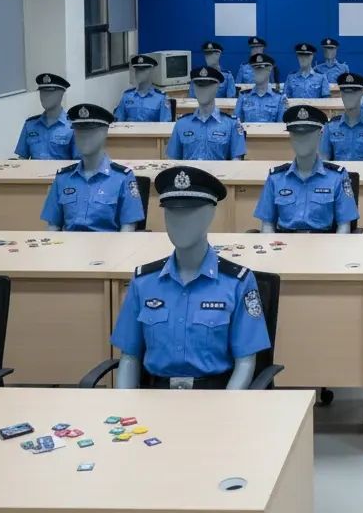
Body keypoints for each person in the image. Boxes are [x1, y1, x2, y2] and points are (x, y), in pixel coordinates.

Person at [110, 165, 270, 390]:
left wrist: (230, 411)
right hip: (155, 399)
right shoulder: (144, 282)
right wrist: (125, 408)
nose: (180, 221)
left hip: (214, 397)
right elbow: (129, 358)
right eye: (172, 211)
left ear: (210, 214)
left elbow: (246, 362)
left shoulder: (237, 282)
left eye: (191, 211)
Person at [254, 106, 359, 233]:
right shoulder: (276, 178)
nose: (301, 140)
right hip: (284, 246)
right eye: (296, 135)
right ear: (290, 138)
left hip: (323, 246)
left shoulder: (337, 177)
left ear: (320, 135)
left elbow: (344, 226)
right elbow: (267, 224)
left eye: (307, 135)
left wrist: (335, 252)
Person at [40, 103, 144, 232]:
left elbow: (128, 228)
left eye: (90, 131)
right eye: (79, 131)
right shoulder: (63, 178)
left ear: (105, 132)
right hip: (68, 248)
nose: (84, 137)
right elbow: (53, 226)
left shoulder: (122, 178)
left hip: (108, 249)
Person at [168, 66, 247, 160]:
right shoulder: (181, 124)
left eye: (208, 86)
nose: (202, 91)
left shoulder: (232, 124)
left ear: (217, 87)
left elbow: (236, 165)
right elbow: (173, 163)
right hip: (190, 174)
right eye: (198, 85)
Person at [321, 73, 363, 161]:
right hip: (339, 174)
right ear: (341, 94)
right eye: (345, 92)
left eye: (353, 92)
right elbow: (324, 160)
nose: (348, 97)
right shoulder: (330, 126)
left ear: (362, 93)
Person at [14, 72, 76, 160]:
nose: (44, 97)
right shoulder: (30, 125)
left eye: (49, 92)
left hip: (61, 173)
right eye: (42, 92)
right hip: (33, 173)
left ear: (61, 94)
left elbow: (78, 162)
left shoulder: (73, 126)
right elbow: (22, 158)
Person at [114, 54, 172, 123]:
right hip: (130, 133)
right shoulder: (127, 96)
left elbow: (165, 126)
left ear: (151, 71)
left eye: (142, 70)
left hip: (151, 133)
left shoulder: (161, 98)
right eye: (137, 70)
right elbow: (117, 123)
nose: (138, 73)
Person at [233, 52, 286, 123]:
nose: (256, 72)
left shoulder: (279, 98)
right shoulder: (243, 96)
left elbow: (281, 128)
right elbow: (236, 124)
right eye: (254, 69)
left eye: (260, 69)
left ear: (269, 70)